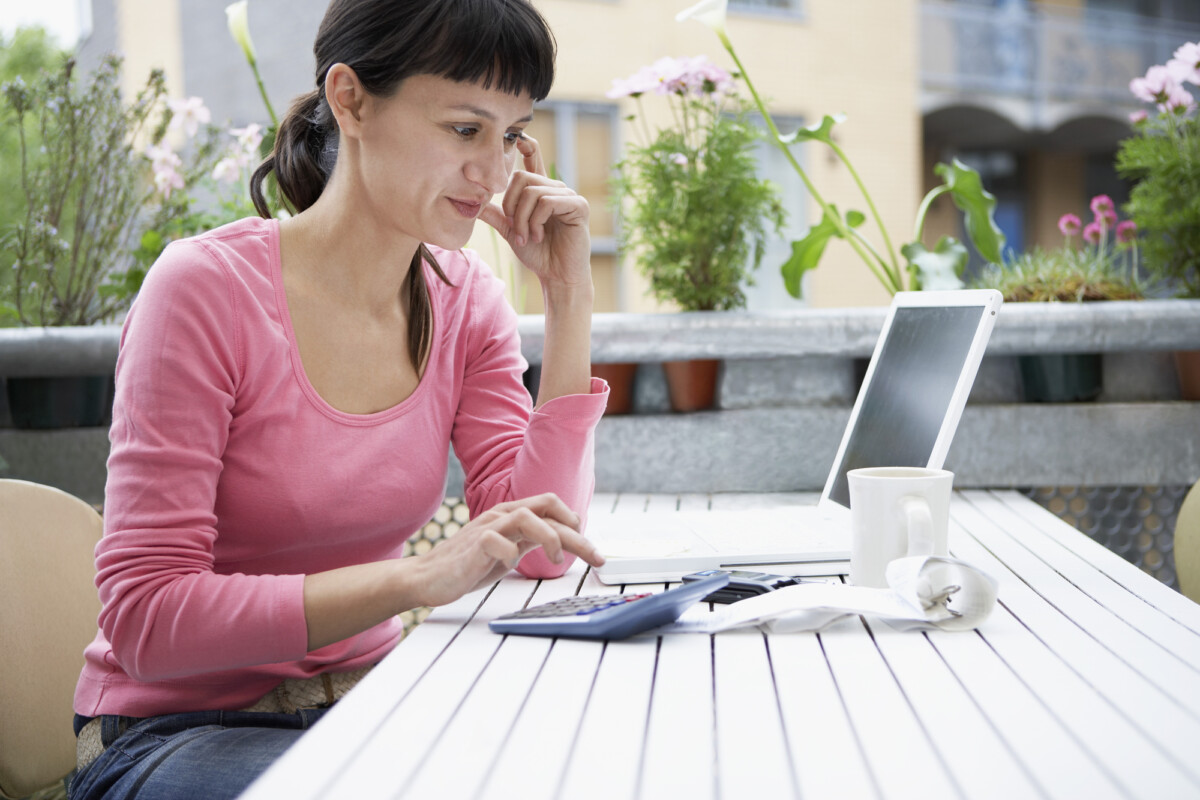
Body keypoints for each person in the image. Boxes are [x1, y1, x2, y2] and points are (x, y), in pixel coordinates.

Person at [68, 1, 608, 797]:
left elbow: (539, 546)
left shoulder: (466, 302)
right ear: (350, 98)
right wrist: (414, 580)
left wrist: (568, 300)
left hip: (372, 708)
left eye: (511, 134)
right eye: (465, 130)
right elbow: (147, 618)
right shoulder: (205, 292)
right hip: (177, 735)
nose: (494, 173)